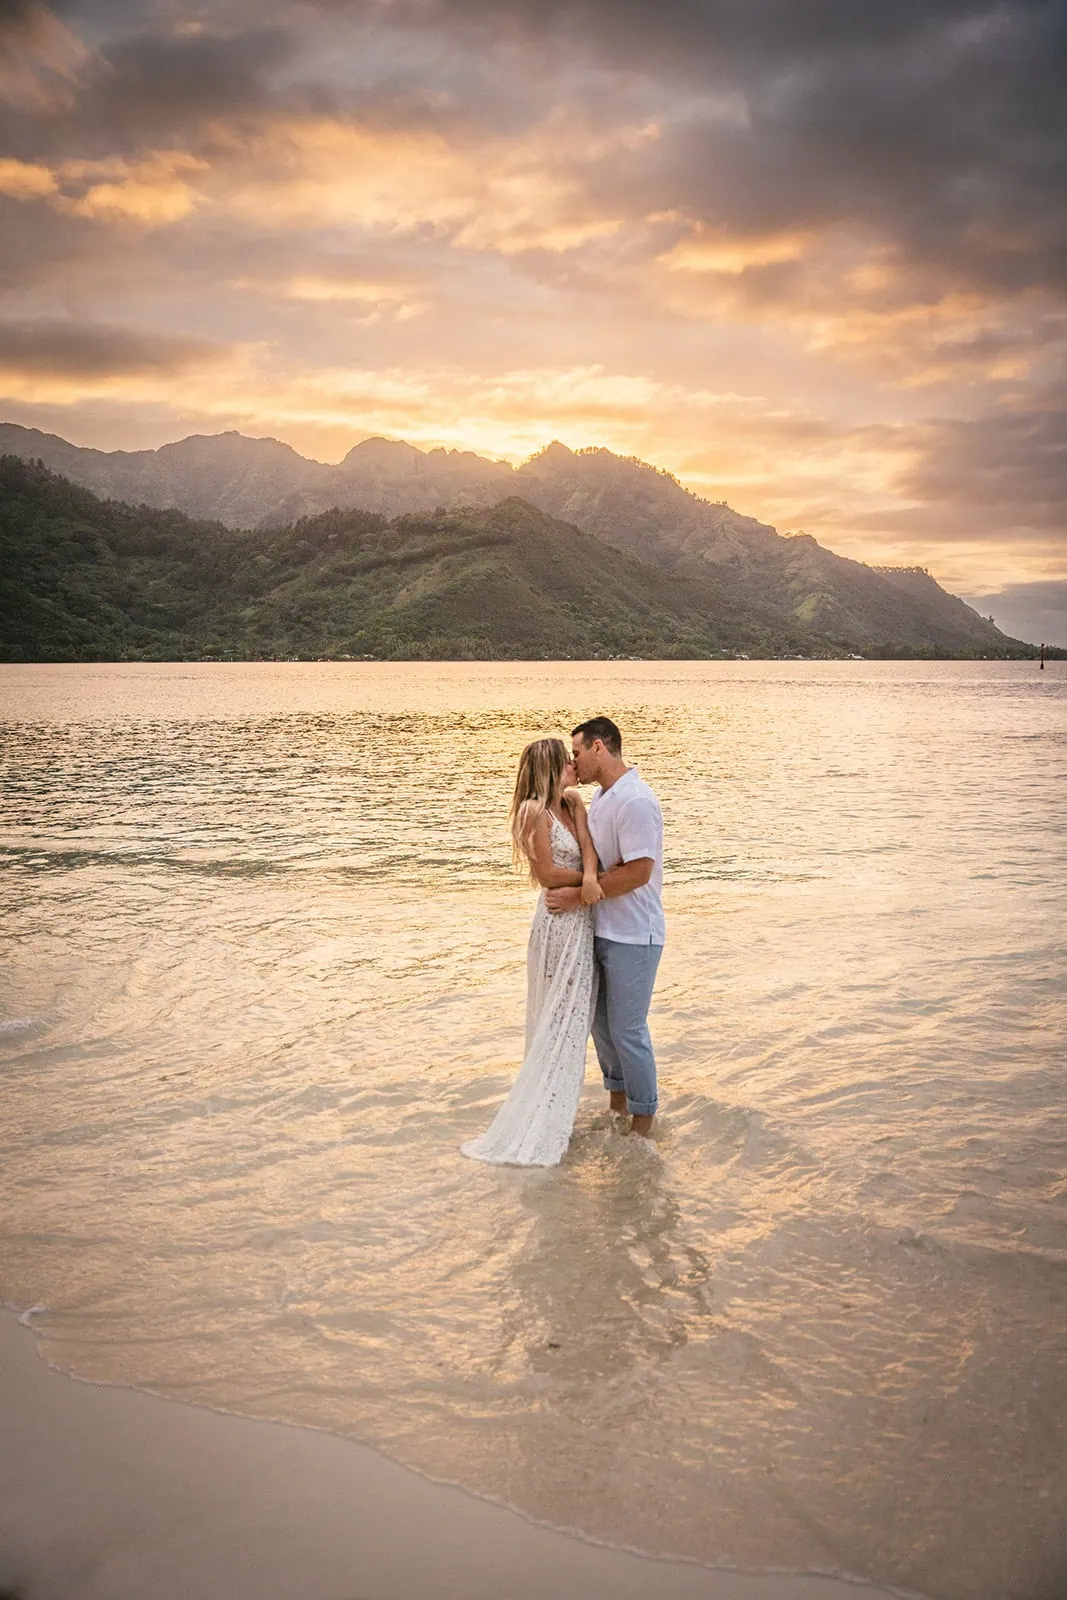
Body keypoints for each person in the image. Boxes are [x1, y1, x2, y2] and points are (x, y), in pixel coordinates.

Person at [461, 737, 603, 1167]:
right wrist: (589, 884)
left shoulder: (573, 803)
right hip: (558, 925)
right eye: (566, 762)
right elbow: (545, 874)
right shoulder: (532, 812)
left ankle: (560, 1113)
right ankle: (543, 1121)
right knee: (556, 1021)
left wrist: (592, 879)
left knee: (575, 1024)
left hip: (582, 919)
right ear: (549, 768)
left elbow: (589, 851)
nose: (574, 767)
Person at [545, 717, 664, 1137]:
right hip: (601, 929)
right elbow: (598, 858)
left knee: (628, 1029)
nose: (573, 761)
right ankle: (617, 1109)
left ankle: (644, 1124)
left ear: (599, 747)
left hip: (635, 933)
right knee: (601, 1025)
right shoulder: (601, 795)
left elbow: (638, 873)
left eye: (576, 752)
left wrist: (578, 895)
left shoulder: (636, 800)